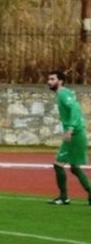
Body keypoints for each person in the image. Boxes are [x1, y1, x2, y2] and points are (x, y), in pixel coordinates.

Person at [46, 70, 91, 205]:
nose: (49, 82)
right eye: (49, 79)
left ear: (60, 81)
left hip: (75, 134)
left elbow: (75, 109)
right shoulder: (63, 94)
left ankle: (64, 197)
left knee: (58, 164)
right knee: (74, 167)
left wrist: (70, 129)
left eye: (52, 79)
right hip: (77, 133)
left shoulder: (64, 94)